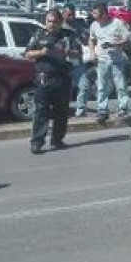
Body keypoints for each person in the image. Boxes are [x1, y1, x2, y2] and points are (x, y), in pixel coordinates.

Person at [25, 9, 80, 154]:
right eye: (49, 21)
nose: (52, 25)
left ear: (60, 22)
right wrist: (42, 53)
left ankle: (57, 139)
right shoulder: (39, 35)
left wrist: (66, 52)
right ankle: (37, 142)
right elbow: (28, 54)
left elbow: (78, 53)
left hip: (62, 77)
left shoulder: (68, 36)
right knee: (41, 112)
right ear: (45, 21)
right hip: (44, 78)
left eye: (55, 22)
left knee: (61, 112)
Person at [89, 2, 130, 123]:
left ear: (104, 14)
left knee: (121, 85)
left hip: (117, 60)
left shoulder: (117, 23)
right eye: (93, 13)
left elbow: (126, 39)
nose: (93, 15)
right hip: (102, 60)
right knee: (101, 86)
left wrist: (114, 45)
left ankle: (123, 108)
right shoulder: (94, 25)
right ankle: (102, 110)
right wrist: (92, 53)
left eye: (96, 13)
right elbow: (91, 40)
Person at [62, 3, 93, 117]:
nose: (72, 17)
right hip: (64, 62)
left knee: (84, 85)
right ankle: (64, 109)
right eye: (69, 14)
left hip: (77, 62)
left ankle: (80, 110)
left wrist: (85, 37)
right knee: (65, 88)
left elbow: (85, 41)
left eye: (73, 14)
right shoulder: (59, 27)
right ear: (63, 13)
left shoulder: (78, 26)